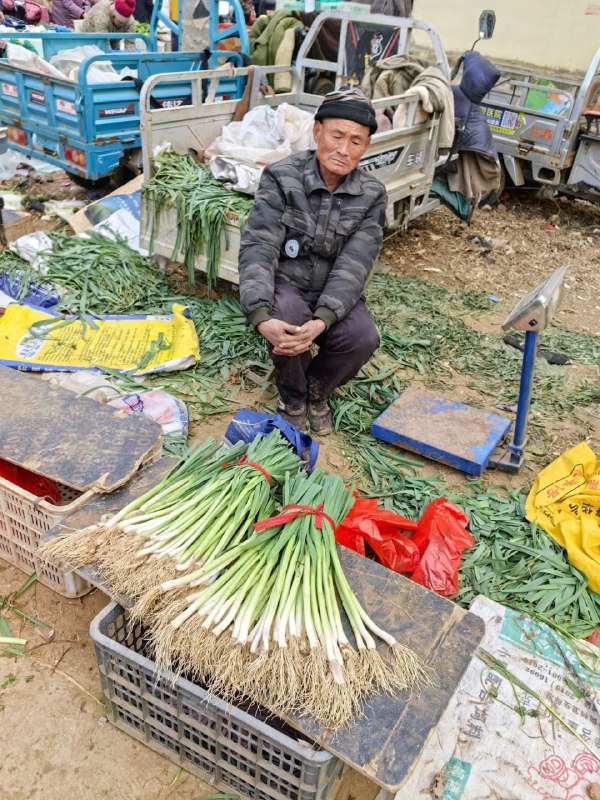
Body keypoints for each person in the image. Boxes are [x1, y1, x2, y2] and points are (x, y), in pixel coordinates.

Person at [238, 89, 386, 435]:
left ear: (366, 147)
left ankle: (317, 390)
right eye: (337, 136)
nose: (344, 149)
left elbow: (355, 264)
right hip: (286, 285)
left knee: (362, 337)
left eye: (356, 141)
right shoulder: (281, 177)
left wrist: (323, 320)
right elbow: (258, 247)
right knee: (287, 321)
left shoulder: (371, 194)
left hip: (331, 290)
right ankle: (292, 396)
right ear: (317, 132)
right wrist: (260, 317)